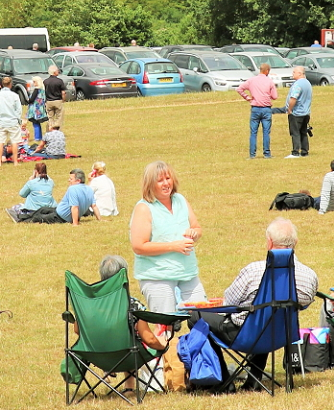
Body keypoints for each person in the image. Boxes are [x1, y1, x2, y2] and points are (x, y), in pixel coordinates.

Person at [204, 218, 319, 379]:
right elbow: (306, 302)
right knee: (267, 315)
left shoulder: (253, 271)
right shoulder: (309, 276)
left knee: (196, 317)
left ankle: (222, 377)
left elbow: (229, 303)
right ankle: (254, 378)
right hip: (282, 335)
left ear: (269, 242)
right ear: (296, 242)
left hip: (246, 336)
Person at [131, 161, 203, 314]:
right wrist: (173, 246)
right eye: (160, 180)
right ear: (150, 185)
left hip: (187, 274)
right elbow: (139, 246)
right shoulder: (144, 208)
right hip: (158, 278)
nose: (166, 184)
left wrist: (194, 233)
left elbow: (196, 227)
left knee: (204, 319)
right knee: (166, 327)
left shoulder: (180, 200)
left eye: (168, 178)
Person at [236, 63, 278, 159]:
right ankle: (267, 153)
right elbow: (275, 96)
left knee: (253, 132)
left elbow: (239, 89)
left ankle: (252, 154)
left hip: (255, 108)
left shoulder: (252, 80)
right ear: (267, 71)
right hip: (266, 108)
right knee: (266, 132)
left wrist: (247, 97)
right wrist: (268, 95)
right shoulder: (269, 81)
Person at [30, 168, 97, 225]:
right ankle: (25, 215)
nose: (69, 180)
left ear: (78, 181)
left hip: (60, 217)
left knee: (37, 217)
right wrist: (100, 219)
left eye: (71, 179)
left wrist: (75, 224)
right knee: (43, 209)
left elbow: (74, 207)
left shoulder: (73, 189)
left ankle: (22, 218)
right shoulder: (89, 189)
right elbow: (94, 206)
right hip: (58, 211)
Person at [0, 77, 24, 164]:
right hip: (13, 121)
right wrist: (18, 119)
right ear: (10, 84)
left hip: (1, 121)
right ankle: (15, 162)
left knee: (0, 142)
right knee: (15, 142)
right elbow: (19, 110)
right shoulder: (15, 96)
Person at [285, 66, 313, 158]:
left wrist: (289, 109)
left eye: (294, 72)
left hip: (297, 113)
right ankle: (305, 151)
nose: (292, 74)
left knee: (295, 132)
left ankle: (295, 152)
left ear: (300, 73)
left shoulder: (298, 84)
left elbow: (294, 98)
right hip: (306, 112)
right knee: (303, 132)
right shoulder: (308, 83)